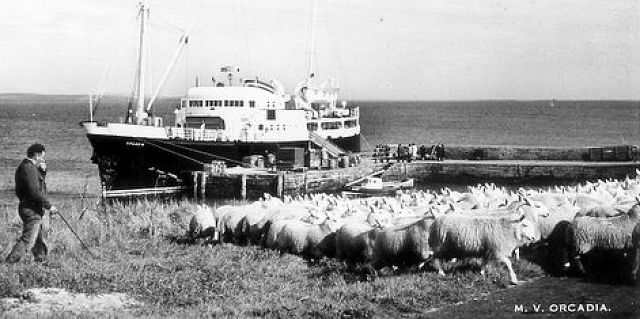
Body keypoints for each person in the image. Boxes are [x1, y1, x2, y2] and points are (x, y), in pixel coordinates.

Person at [6, 143, 58, 263]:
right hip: (31, 209)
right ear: (36, 155)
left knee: (38, 239)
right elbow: (34, 191)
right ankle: (9, 264)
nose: (43, 159)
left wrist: (42, 172)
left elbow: (37, 187)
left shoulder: (29, 168)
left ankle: (41, 261)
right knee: (28, 239)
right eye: (43, 156)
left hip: (32, 208)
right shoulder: (29, 168)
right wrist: (49, 206)